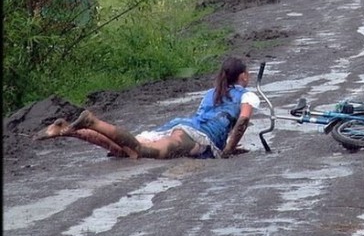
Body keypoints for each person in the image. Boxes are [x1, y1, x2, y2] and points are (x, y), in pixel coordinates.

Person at [33, 56, 261, 159]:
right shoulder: (246, 95)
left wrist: (229, 146)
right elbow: (242, 122)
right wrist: (229, 150)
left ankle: (70, 130)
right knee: (144, 153)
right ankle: (93, 122)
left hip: (181, 126)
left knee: (125, 149)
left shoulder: (212, 92)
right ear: (243, 76)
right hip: (199, 138)